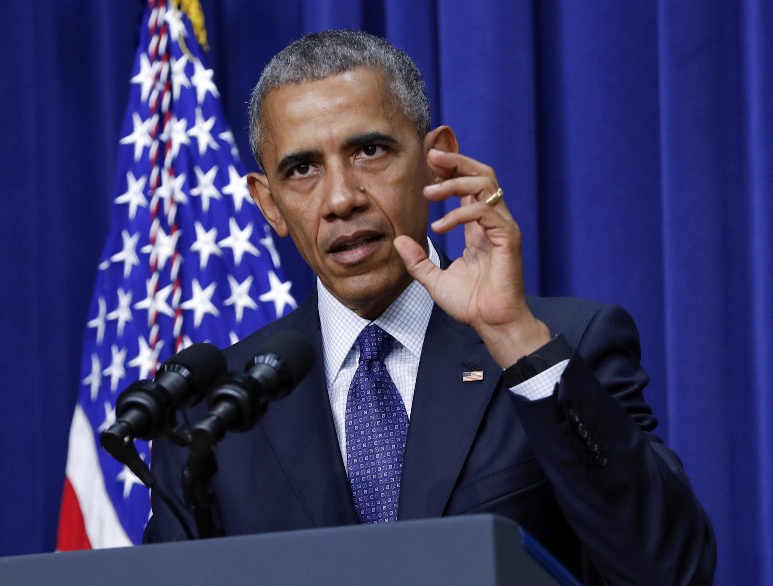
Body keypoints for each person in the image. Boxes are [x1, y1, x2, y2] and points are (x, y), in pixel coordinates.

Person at [144, 29, 716, 585]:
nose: (341, 198)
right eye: (302, 170)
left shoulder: (563, 344)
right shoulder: (213, 413)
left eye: (369, 150)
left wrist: (513, 336)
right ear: (269, 204)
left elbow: (669, 570)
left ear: (436, 160)